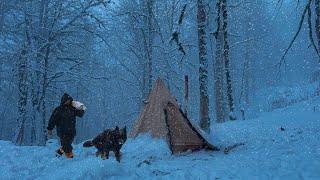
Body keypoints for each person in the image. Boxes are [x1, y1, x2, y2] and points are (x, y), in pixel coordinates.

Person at [47, 93, 85, 158]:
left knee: (66, 145)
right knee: (67, 145)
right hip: (62, 131)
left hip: (72, 131)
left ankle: (58, 153)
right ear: (63, 100)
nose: (68, 101)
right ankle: (70, 158)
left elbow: (80, 114)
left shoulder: (72, 109)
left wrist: (81, 106)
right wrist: (49, 128)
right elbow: (53, 119)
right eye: (67, 100)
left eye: (69, 100)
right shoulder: (59, 110)